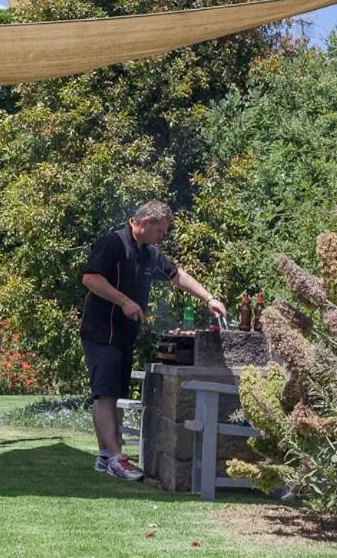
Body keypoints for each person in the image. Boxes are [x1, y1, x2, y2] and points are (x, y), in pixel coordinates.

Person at [80, 201, 228, 481]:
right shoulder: (113, 243)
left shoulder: (149, 252)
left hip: (124, 333)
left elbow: (177, 275)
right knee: (105, 393)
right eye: (159, 231)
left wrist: (209, 298)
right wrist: (125, 301)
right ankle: (115, 457)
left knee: (112, 394)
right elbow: (90, 278)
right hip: (101, 330)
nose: (161, 237)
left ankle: (105, 457)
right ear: (145, 222)